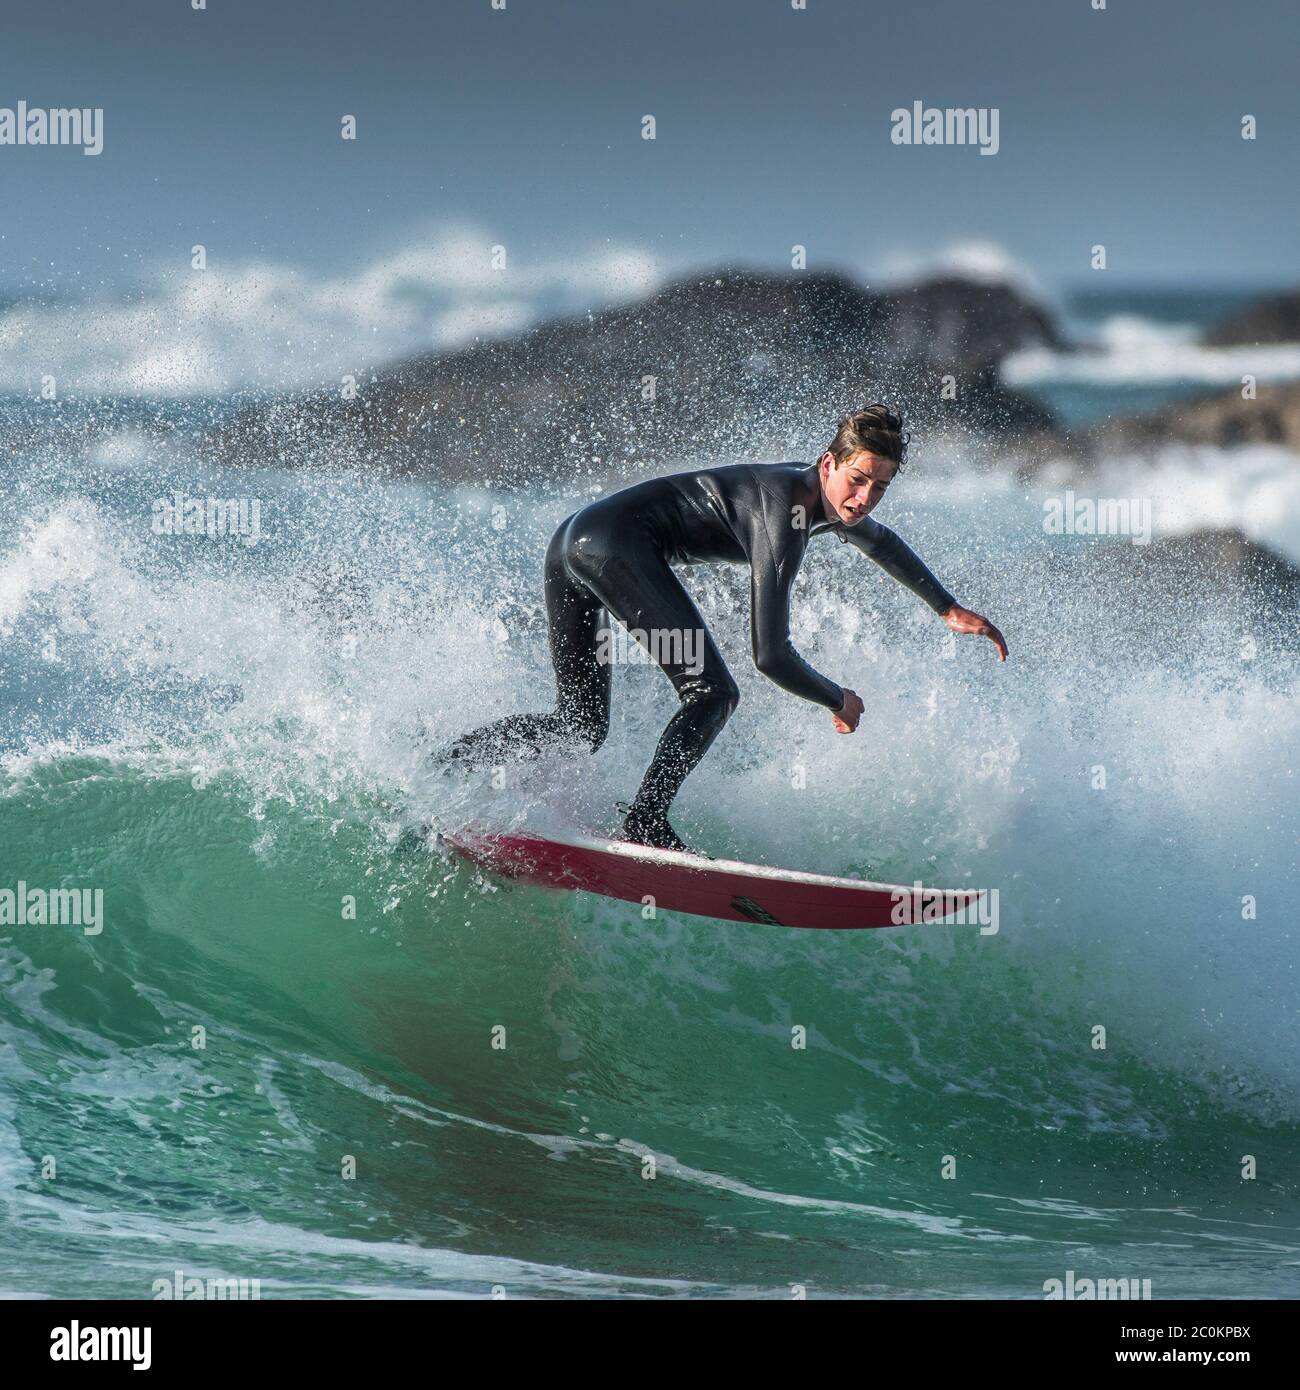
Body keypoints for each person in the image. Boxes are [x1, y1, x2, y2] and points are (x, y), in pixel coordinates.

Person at [441, 405, 1007, 852]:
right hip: (612, 548)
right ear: (828, 463)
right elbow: (770, 655)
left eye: (880, 487)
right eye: (859, 479)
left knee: (581, 725)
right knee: (712, 693)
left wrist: (946, 607)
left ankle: (448, 767)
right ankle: (644, 823)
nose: (865, 498)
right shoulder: (783, 513)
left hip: (574, 541)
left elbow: (879, 541)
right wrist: (837, 698)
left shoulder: (822, 501)